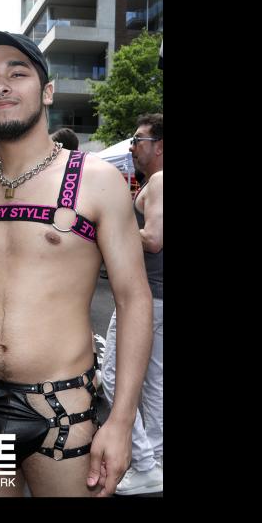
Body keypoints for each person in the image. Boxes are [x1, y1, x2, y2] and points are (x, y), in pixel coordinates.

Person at [0, 30, 153, 497]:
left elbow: (134, 300)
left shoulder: (96, 180)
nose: (0, 85)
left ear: (47, 91)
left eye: (17, 73)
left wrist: (121, 421)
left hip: (62, 409)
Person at [101, 113, 163, 495]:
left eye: (139, 140)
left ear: (160, 146)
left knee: (112, 375)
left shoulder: (159, 180)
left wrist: (116, 226)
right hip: (158, 297)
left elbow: (153, 238)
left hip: (148, 298)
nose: (132, 146)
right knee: (155, 383)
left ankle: (143, 461)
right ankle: (153, 463)